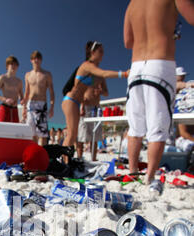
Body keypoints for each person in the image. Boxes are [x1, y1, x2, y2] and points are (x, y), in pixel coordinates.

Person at [124, 0, 194, 188]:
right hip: (160, 63)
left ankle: (132, 173)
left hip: (136, 66)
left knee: (135, 126)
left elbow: (128, 41)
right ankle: (149, 178)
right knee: (158, 126)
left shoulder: (132, 4)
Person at [62, 41, 128, 157]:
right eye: (100, 51)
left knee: (73, 134)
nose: (103, 54)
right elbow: (105, 73)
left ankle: (66, 161)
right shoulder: (87, 65)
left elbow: (102, 80)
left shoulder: (93, 71)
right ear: (92, 52)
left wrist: (99, 91)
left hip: (76, 102)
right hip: (70, 100)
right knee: (72, 134)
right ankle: (62, 161)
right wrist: (124, 74)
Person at [22, 50, 55, 146]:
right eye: (34, 58)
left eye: (38, 58)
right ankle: (34, 153)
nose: (36, 60)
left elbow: (51, 92)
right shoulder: (27, 75)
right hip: (30, 105)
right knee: (32, 133)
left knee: (42, 133)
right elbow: (26, 92)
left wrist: (52, 107)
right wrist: (24, 107)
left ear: (41, 60)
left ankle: (42, 153)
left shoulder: (47, 74)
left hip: (42, 104)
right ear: (31, 60)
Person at [0, 56, 24, 123]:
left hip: (15, 109)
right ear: (7, 66)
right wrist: (5, 99)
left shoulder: (19, 81)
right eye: (11, 64)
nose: (13, 66)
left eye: (15, 64)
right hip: (5, 108)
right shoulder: (2, 78)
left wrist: (22, 101)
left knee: (15, 131)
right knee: (2, 130)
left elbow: (21, 96)